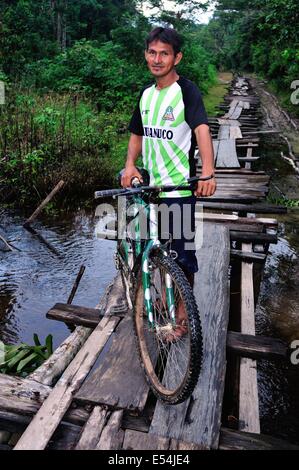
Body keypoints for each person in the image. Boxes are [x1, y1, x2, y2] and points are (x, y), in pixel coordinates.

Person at [121, 27, 216, 338]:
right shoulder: (146, 95)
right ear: (146, 55)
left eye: (164, 53)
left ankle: (183, 314)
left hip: (178, 188)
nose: (157, 59)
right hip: (151, 188)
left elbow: (201, 130)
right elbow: (138, 133)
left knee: (181, 256)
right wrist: (130, 165)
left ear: (177, 57)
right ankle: (163, 298)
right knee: (155, 247)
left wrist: (208, 172)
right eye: (152, 52)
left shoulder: (187, 91)